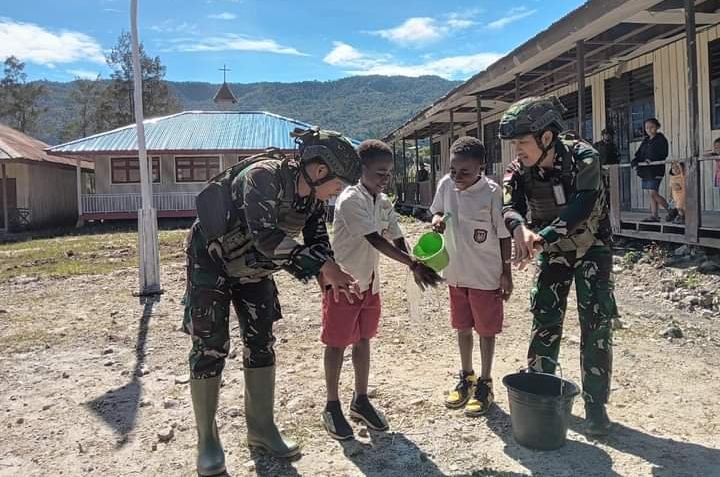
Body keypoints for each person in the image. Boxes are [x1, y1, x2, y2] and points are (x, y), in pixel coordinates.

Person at [182, 128, 362, 476]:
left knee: (262, 339)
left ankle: (261, 430)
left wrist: (328, 275)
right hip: (212, 261)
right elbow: (265, 236)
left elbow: (317, 240)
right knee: (210, 345)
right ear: (320, 170)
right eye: (339, 183)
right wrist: (324, 267)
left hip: (253, 267)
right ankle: (207, 440)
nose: (339, 191)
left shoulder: (311, 199)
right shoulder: (263, 176)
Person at [499, 95, 618, 437]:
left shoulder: (585, 157)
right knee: (545, 318)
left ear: (546, 138)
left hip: (591, 248)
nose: (517, 150)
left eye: (522, 142)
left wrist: (540, 237)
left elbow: (582, 205)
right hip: (553, 251)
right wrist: (519, 228)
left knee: (596, 324)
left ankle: (596, 407)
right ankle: (539, 392)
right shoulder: (518, 169)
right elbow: (509, 205)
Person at [321, 140, 441, 440]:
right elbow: (375, 240)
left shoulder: (382, 201)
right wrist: (411, 264)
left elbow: (396, 235)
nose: (384, 179)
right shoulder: (350, 200)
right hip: (344, 283)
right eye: (378, 173)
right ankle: (332, 405)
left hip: (369, 284)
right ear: (361, 170)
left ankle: (360, 399)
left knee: (363, 339)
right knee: (336, 343)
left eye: (388, 173)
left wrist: (416, 259)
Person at [430, 136, 513, 417]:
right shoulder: (446, 185)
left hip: (485, 275)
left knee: (486, 331)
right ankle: (466, 376)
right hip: (456, 272)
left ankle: (485, 383)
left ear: (482, 167)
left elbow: (503, 235)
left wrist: (506, 273)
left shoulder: (492, 193)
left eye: (465, 172)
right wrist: (436, 220)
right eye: (453, 170)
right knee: (462, 327)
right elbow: (437, 210)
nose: (457, 177)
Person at [631, 118, 670, 222]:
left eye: (651, 127)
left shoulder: (661, 139)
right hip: (646, 171)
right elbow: (638, 154)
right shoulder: (645, 140)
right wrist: (635, 161)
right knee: (651, 194)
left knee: (653, 193)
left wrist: (652, 159)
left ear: (657, 127)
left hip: (656, 169)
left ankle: (672, 211)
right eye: (647, 128)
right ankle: (654, 215)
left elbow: (664, 153)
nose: (649, 129)